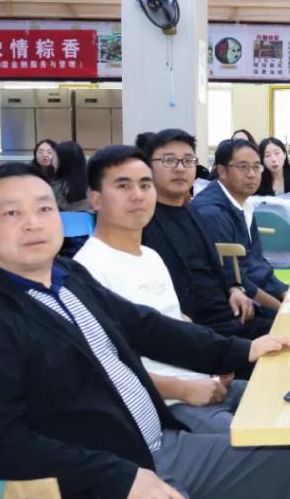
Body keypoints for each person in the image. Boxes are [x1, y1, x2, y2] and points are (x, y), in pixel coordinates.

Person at [0, 163, 290, 499]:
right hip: (97, 488)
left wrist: (242, 350)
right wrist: (118, 476)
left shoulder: (65, 274)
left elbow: (146, 327)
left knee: (285, 467)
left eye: (44, 209)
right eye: (12, 213)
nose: (33, 224)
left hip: (153, 444)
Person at [75, 145, 254, 434]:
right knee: (273, 447)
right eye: (123, 186)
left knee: (288, 403)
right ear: (96, 199)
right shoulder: (87, 271)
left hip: (202, 382)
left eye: (145, 185)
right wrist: (184, 389)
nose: (138, 195)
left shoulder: (151, 256)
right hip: (165, 405)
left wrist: (214, 361)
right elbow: (104, 370)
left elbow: (178, 321)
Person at [142, 129, 275, 339]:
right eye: (169, 160)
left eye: (188, 161)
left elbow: (216, 262)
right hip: (200, 331)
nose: (180, 168)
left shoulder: (191, 212)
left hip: (232, 313)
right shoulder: (144, 222)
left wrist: (234, 288)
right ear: (148, 167)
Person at [193, 138, 290, 307]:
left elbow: (257, 263)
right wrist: (280, 308)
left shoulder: (243, 203)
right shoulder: (212, 213)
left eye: (256, 167)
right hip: (229, 306)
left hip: (251, 294)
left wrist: (284, 292)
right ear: (222, 171)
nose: (252, 174)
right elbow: (235, 277)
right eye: (243, 167)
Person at [53, 141, 92, 213]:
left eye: (54, 158)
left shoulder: (56, 187)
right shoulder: (93, 183)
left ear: (63, 162)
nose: (52, 161)